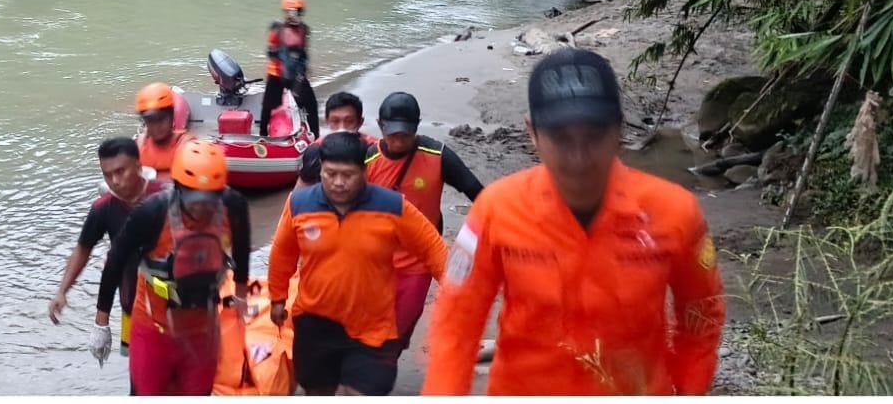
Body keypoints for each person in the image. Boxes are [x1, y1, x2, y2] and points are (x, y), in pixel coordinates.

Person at [422, 48, 725, 395]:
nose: (579, 159)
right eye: (561, 139)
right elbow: (456, 323)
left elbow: (702, 318)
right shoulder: (496, 210)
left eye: (594, 137)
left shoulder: (674, 212)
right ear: (532, 133)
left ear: (619, 131)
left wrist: (689, 389)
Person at [268, 132, 448, 396]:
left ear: (365, 170)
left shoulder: (392, 206)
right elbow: (282, 253)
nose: (339, 183)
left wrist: (457, 294)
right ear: (321, 172)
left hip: (372, 329)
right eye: (330, 174)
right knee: (318, 391)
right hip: (315, 322)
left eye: (348, 175)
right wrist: (277, 297)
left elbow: (433, 248)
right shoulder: (299, 204)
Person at [92, 140, 252, 395]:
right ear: (178, 189)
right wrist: (102, 322)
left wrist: (241, 295)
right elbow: (116, 260)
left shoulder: (234, 206)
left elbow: (242, 250)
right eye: (195, 199)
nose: (203, 207)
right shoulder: (151, 213)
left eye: (211, 199)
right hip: (154, 326)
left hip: (203, 327)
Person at [364, 91, 485, 355]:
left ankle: (384, 365)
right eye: (392, 133)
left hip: (417, 262)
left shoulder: (437, 155)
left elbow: (477, 192)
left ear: (417, 127)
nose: (398, 140)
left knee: (399, 329)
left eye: (405, 134)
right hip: (374, 261)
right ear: (380, 125)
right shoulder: (367, 160)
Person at [48, 137, 169, 358]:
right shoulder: (103, 209)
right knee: (141, 380)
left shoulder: (166, 197)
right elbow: (83, 248)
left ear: (139, 167)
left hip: (174, 304)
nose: (115, 181)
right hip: (133, 305)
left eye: (120, 171)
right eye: (107, 175)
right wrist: (62, 291)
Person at [261, 0, 320, 137]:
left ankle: (316, 137)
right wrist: (284, 60)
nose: (295, 16)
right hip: (277, 73)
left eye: (298, 13)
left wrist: (302, 69)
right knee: (269, 106)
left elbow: (303, 52)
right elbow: (271, 51)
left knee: (311, 105)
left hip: (296, 74)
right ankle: (262, 135)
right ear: (286, 13)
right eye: (293, 12)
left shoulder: (304, 29)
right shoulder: (277, 28)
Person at [296, 91, 376, 188]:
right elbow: (301, 189)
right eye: (335, 121)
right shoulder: (315, 151)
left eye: (349, 121)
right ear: (327, 121)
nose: (342, 128)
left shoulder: (373, 151)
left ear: (360, 122)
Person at [135, 82, 191, 176]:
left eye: (161, 119)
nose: (157, 126)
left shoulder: (186, 146)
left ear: (172, 116)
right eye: (151, 121)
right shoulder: (139, 146)